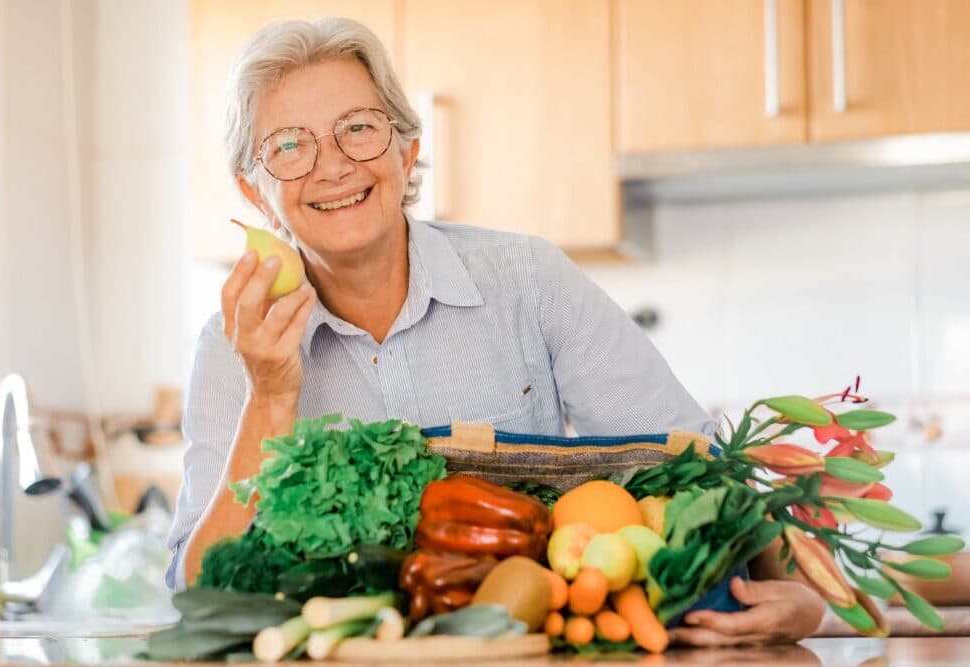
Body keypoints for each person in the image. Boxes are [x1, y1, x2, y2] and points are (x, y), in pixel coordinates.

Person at [167, 17, 825, 645]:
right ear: (253, 192)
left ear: (407, 149)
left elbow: (696, 463)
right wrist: (271, 393)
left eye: (358, 128)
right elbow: (197, 594)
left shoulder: (527, 279)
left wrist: (804, 596)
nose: (332, 165)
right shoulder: (233, 344)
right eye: (289, 145)